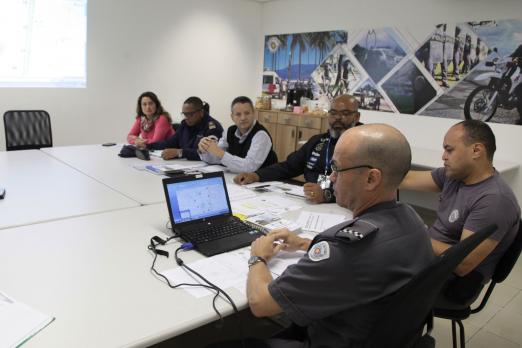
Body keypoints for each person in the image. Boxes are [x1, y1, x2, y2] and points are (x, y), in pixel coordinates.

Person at [243, 124, 434, 348]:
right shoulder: (412, 219)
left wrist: (258, 258)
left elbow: (260, 304)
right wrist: (305, 243)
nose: (331, 177)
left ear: (371, 179)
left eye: (337, 168)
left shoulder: (345, 249)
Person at [400, 120, 520, 304]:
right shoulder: (456, 176)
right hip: (430, 261)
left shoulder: (494, 200)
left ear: (476, 151)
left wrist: (413, 236)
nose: (443, 156)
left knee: (372, 275)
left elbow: (462, 264)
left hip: (454, 283)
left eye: (449, 150)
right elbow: (407, 179)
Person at [233, 94, 361, 204]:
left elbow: (362, 188)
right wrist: (256, 175)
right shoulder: (318, 141)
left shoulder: (364, 146)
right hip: (310, 202)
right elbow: (289, 166)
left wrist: (327, 194)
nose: (337, 118)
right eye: (333, 113)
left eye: (345, 113)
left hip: (343, 208)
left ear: (356, 117)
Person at [198, 96, 277, 173]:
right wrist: (205, 149)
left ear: (254, 113)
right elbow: (217, 158)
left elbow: (249, 167)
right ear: (232, 117)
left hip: (262, 182)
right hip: (238, 179)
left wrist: (219, 152)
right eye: (238, 114)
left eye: (247, 113)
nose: (243, 118)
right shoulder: (230, 131)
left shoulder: (261, 135)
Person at [148, 96, 223, 160]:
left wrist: (180, 152)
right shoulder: (185, 124)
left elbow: (209, 154)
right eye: (184, 114)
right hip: (183, 165)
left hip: (203, 169)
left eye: (190, 114)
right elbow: (169, 143)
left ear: (201, 112)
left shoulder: (212, 127)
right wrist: (148, 146)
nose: (186, 117)